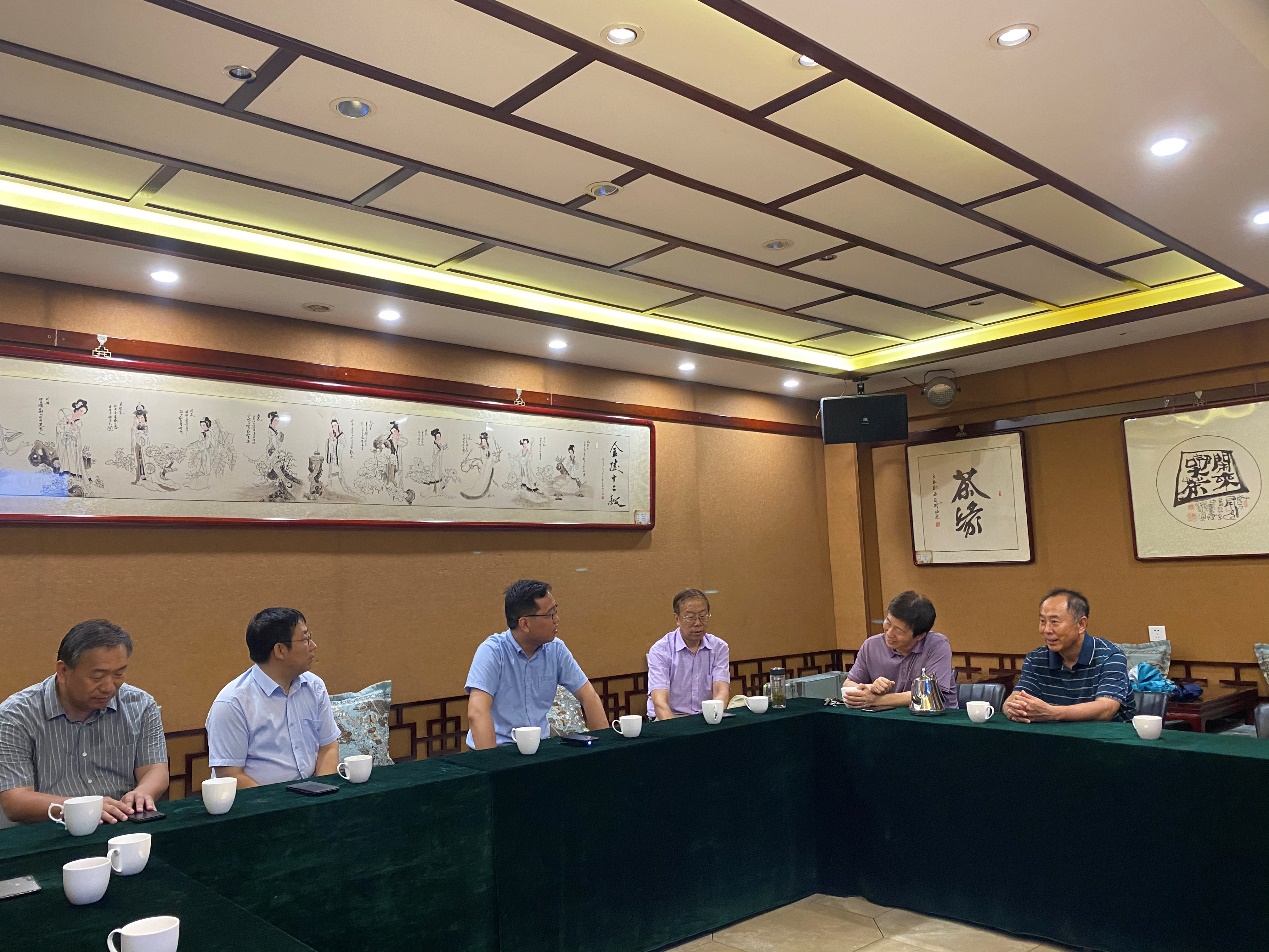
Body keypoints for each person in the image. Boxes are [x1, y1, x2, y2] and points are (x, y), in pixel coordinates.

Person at [0, 620, 168, 826]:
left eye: (118, 674)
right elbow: (15, 801)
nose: (109, 687)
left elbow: (155, 770)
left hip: (122, 823)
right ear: (63, 671)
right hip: (51, 830)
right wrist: (84, 807)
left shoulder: (140, 705)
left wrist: (142, 793)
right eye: (97, 676)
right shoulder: (15, 715)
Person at [205, 608, 340, 787]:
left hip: (312, 794)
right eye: (305, 639)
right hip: (260, 800)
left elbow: (328, 746)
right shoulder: (232, 703)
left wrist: (321, 792)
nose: (313, 645)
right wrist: (280, 801)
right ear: (280, 650)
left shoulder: (314, 686)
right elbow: (230, 775)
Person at [465, 580, 607, 749]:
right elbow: (477, 712)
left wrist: (605, 749)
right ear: (524, 624)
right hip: (500, 749)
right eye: (550, 615)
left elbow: (589, 697)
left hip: (539, 748)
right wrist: (492, 761)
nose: (556, 620)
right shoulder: (492, 652)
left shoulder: (556, 649)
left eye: (555, 612)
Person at [1003, 589, 1134, 723]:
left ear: (1081, 624)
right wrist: (1014, 709)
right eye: (1042, 621)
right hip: (1055, 734)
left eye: (1054, 622)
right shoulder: (1036, 659)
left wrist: (1051, 713)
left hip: (1106, 734)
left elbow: (1106, 709)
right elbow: (1013, 701)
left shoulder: (1111, 657)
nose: (1046, 630)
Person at [842, 591, 957, 710]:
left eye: (898, 630)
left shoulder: (937, 645)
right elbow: (848, 684)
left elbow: (931, 693)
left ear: (919, 636)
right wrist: (870, 688)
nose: (889, 633)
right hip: (886, 717)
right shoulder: (871, 645)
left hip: (934, 717)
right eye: (888, 622)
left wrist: (876, 699)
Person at [646, 589, 730, 719]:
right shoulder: (660, 650)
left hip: (705, 715)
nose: (698, 623)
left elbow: (721, 691)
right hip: (670, 717)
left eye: (703, 616)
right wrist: (677, 730)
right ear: (677, 619)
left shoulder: (719, 647)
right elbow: (660, 703)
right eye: (690, 617)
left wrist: (713, 719)